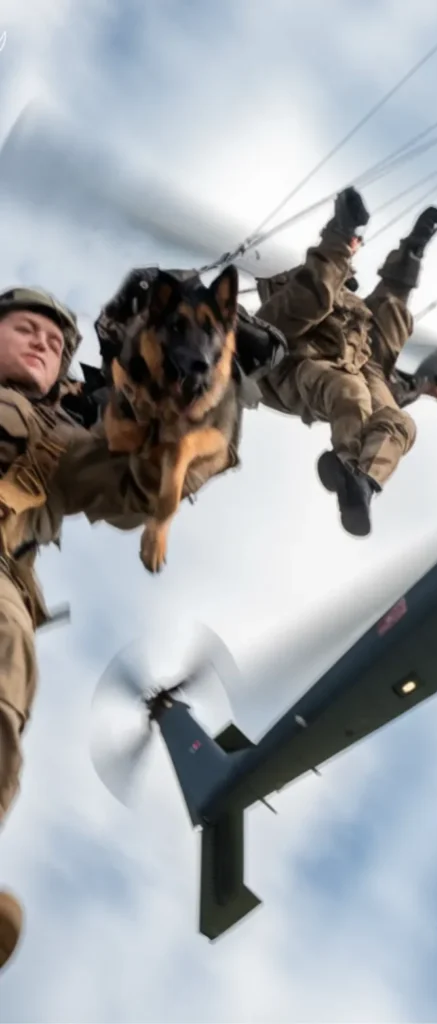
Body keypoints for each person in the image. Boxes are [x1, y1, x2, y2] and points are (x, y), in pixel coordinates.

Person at [0, 286, 211, 972]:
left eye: (55, 343)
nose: (42, 342)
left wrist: (182, 394)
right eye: (25, 329)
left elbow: (142, 484)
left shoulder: (55, 440)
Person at [255, 187, 437, 537]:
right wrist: (342, 233)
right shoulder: (281, 308)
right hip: (300, 363)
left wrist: (413, 250)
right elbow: (312, 294)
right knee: (349, 390)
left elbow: (391, 300)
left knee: (401, 424)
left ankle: (362, 483)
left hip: (357, 369)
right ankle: (347, 463)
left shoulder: (358, 321)